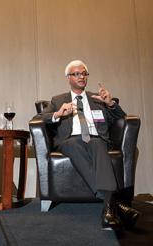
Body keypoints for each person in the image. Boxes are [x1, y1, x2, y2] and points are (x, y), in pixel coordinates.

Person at [40, 60, 141, 230]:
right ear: (68, 78)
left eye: (84, 73)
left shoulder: (98, 99)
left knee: (97, 143)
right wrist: (58, 113)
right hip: (70, 140)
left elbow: (121, 118)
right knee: (73, 144)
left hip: (96, 139)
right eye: (76, 74)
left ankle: (109, 210)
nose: (81, 77)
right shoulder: (57, 100)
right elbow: (40, 118)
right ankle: (115, 205)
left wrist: (110, 103)